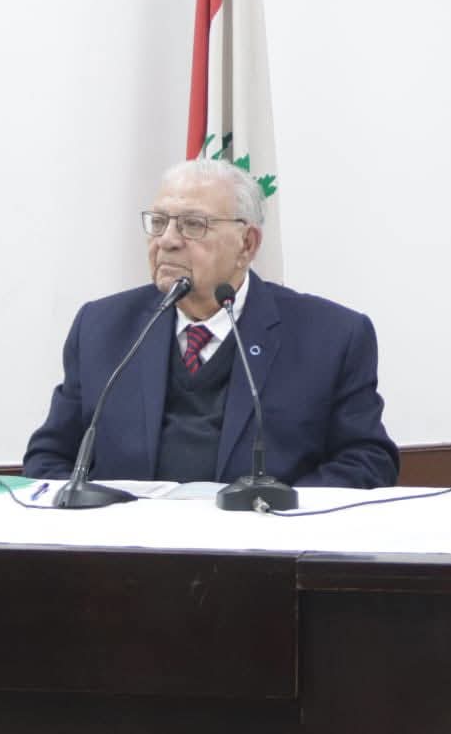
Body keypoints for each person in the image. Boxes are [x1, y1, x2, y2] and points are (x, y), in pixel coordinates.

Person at [23, 159, 399, 488]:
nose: (167, 241)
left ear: (247, 244)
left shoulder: (330, 336)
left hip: (262, 540)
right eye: (159, 223)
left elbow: (367, 459)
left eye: (192, 225)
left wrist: (281, 513)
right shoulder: (102, 327)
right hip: (130, 541)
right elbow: (49, 456)